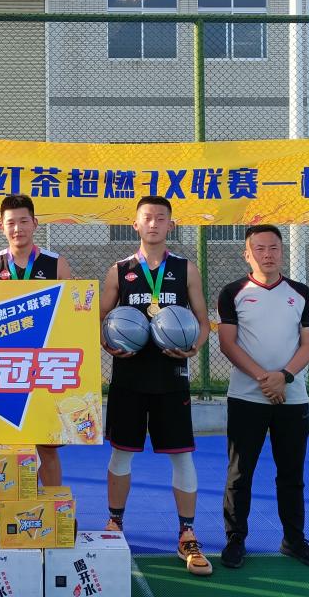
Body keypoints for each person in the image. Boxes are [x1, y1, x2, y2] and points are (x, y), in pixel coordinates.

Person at [98, 195, 213, 577]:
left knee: (181, 457)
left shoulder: (185, 269)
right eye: (147, 218)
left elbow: (202, 320)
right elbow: (100, 319)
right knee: (121, 455)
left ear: (170, 225)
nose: (153, 224)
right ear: (135, 224)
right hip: (129, 377)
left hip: (171, 377)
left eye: (160, 218)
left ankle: (187, 533)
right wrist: (107, 342)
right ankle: (115, 522)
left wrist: (194, 346)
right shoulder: (119, 271)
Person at [216, 224, 309, 570]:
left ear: (282, 252)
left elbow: (308, 344)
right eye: (260, 249)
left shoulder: (301, 293)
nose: (267, 254)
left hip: (292, 399)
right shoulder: (232, 292)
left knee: (291, 474)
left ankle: (294, 540)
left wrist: (284, 377)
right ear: (247, 254)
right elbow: (227, 343)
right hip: (246, 398)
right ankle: (236, 540)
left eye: (274, 248)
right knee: (240, 473)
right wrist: (263, 379)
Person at [0, 194, 72, 486]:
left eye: (23, 221)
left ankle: (54, 504)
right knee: (3, 445)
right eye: (11, 223)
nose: (17, 228)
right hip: (4, 369)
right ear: (1, 227)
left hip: (43, 367)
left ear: (35, 224)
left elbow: (70, 316)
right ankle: (2, 506)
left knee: (48, 446)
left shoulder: (56, 264)